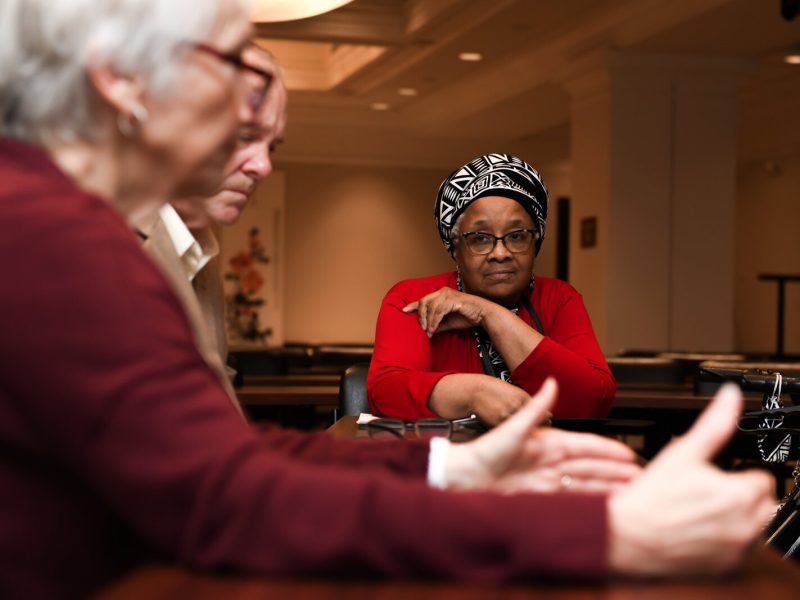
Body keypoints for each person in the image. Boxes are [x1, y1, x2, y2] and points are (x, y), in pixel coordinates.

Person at [0, 2, 775, 599]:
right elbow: (230, 501)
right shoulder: (46, 235)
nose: (248, 108)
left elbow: (220, 460)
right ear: (119, 80)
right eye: (231, 63)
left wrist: (452, 472)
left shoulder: (54, 221)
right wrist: (600, 530)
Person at [368, 153, 613, 424]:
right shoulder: (415, 298)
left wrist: (488, 313)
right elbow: (386, 391)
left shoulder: (559, 298)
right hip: (444, 459)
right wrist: (475, 392)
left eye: (517, 236)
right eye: (480, 238)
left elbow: (594, 399)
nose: (500, 253)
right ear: (456, 248)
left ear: (535, 244)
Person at [138, 45, 287, 413]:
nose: (264, 167)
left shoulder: (201, 254)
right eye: (244, 136)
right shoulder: (112, 246)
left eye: (273, 146)